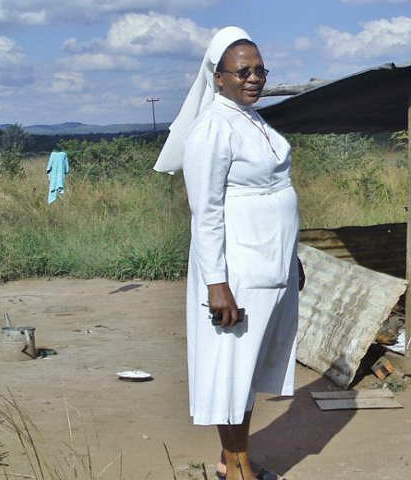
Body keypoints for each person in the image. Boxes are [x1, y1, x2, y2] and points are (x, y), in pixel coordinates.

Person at [153, 26, 304, 480]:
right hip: (236, 271)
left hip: (269, 264)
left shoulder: (252, 120)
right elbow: (207, 215)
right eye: (242, 72)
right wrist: (217, 284)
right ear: (218, 78)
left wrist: (290, 258)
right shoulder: (213, 128)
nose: (253, 78)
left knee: (249, 368)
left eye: (259, 70)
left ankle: (235, 459)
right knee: (232, 370)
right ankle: (238, 468)